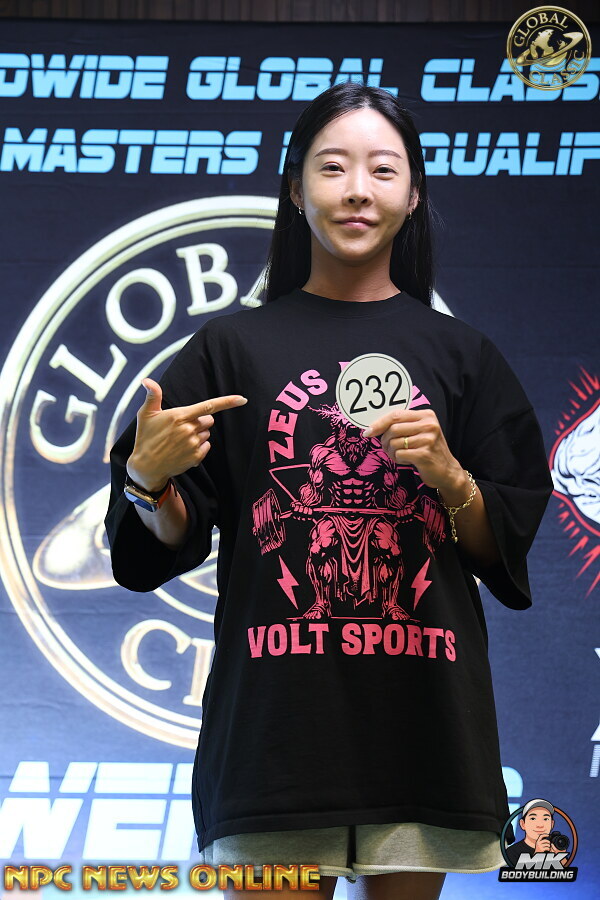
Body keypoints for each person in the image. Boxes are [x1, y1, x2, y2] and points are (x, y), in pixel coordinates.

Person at [104, 82, 554, 900]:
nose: (356, 190)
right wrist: (148, 477)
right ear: (294, 188)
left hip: (423, 726)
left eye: (382, 170)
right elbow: (162, 544)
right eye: (333, 167)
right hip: (275, 734)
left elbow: (502, 549)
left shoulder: (463, 357)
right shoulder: (229, 349)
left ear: (412, 196)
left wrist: (449, 476)